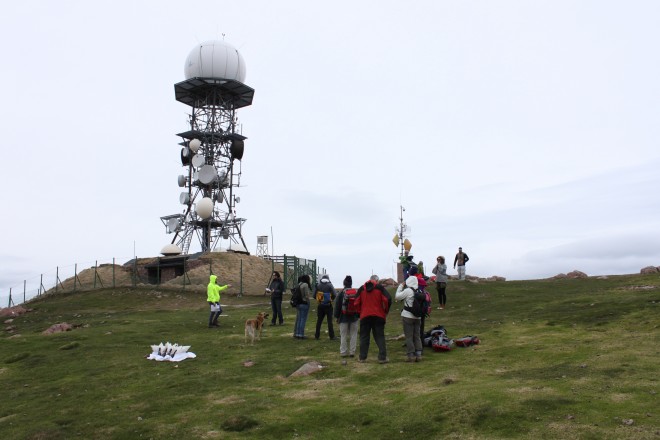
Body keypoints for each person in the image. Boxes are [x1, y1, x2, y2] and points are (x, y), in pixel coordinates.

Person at [354, 275, 392, 364]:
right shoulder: (380, 288)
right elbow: (388, 299)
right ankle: (382, 357)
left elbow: (356, 302)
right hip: (378, 315)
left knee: (364, 337)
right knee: (380, 336)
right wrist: (385, 310)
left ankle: (362, 357)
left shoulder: (361, 289)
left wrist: (360, 312)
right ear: (377, 280)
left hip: (365, 315)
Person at [395, 274, 423, 362]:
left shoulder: (408, 291)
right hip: (418, 317)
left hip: (407, 316)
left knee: (409, 336)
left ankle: (411, 355)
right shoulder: (420, 291)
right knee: (417, 336)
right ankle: (419, 354)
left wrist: (400, 286)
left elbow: (397, 296)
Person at [333, 275, 359, 357]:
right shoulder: (355, 292)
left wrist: (336, 316)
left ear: (344, 283)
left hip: (343, 317)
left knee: (343, 335)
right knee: (353, 334)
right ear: (351, 283)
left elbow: (337, 305)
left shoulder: (341, 293)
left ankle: (343, 352)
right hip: (354, 317)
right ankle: (352, 352)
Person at [314, 274, 336, 340]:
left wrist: (319, 299)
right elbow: (334, 294)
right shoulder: (330, 285)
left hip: (320, 305)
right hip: (328, 305)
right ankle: (331, 336)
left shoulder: (318, 285)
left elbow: (314, 295)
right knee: (330, 321)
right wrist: (330, 299)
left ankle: (317, 335)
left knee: (319, 321)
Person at [293, 274, 312, 339]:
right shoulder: (305, 285)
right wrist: (308, 300)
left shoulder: (299, 284)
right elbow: (306, 295)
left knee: (299, 319)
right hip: (304, 303)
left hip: (298, 303)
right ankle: (301, 334)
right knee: (303, 319)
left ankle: (297, 333)